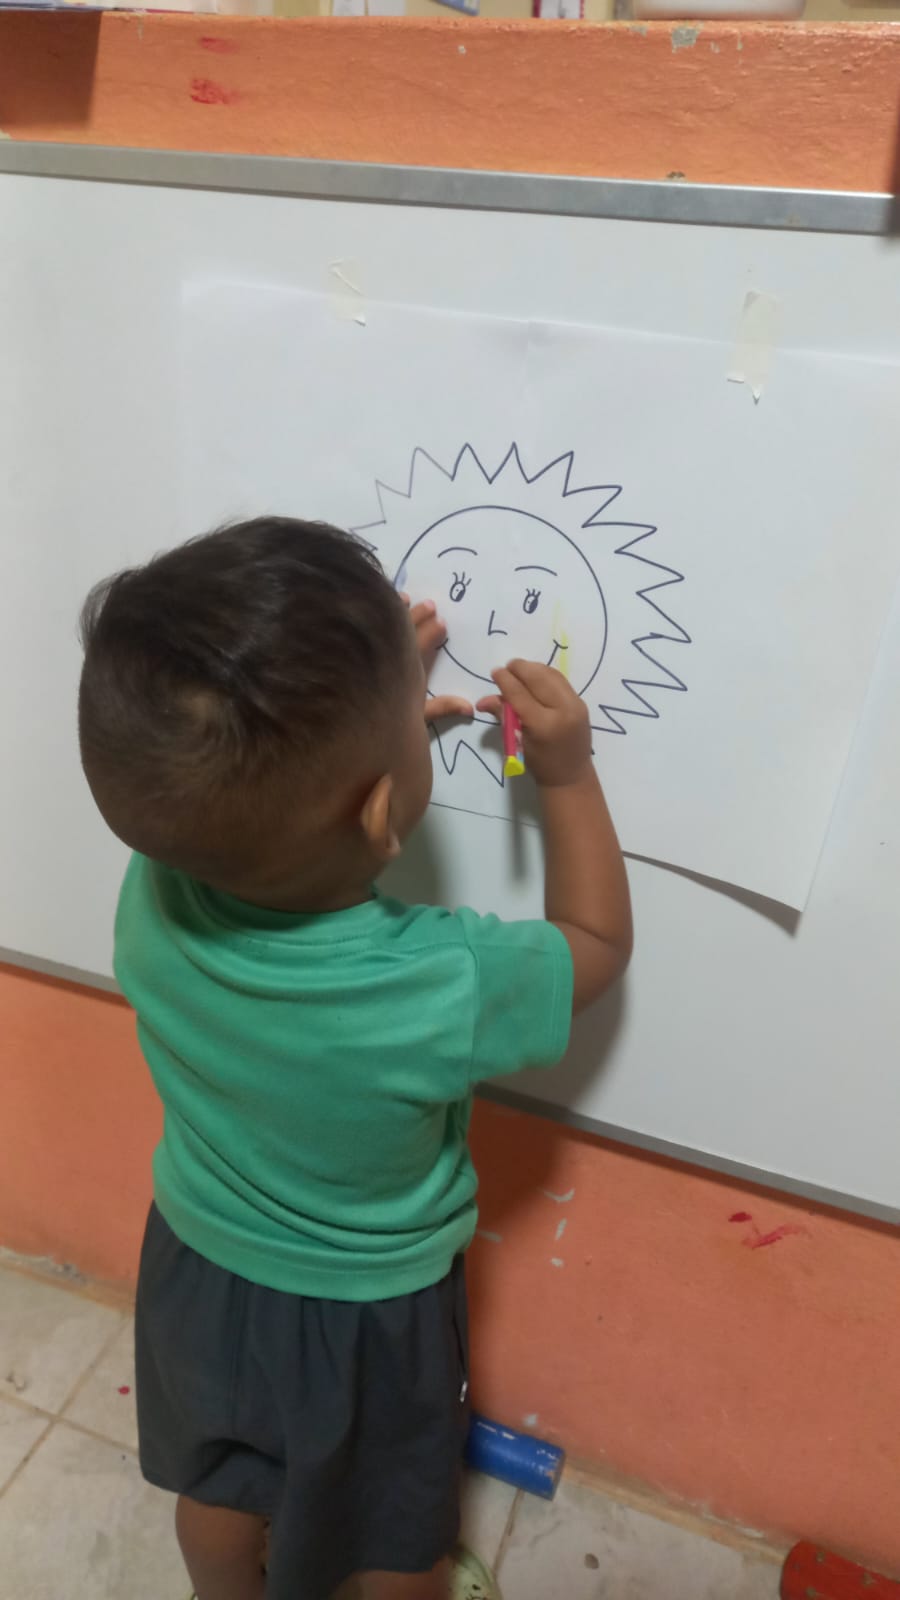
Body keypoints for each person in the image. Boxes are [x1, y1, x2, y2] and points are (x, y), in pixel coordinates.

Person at [77, 516, 632, 1600]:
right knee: (391, 1536)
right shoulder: (438, 983)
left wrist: (361, 718)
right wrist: (564, 773)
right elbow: (595, 944)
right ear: (383, 809)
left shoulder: (155, 887)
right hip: (366, 1319)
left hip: (195, 1266)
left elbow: (248, 796)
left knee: (222, 1482)